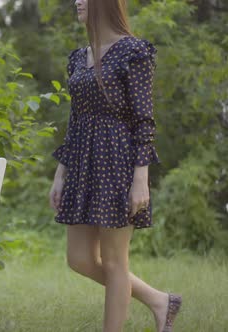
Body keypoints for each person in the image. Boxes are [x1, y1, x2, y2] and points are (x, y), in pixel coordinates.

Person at [49, 1, 182, 331]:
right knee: (78, 258)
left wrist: (141, 178)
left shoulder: (133, 51)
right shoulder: (79, 57)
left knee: (114, 262)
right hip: (82, 162)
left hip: (117, 160)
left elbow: (143, 119)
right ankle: (159, 300)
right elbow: (75, 116)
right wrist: (61, 171)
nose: (78, 1)